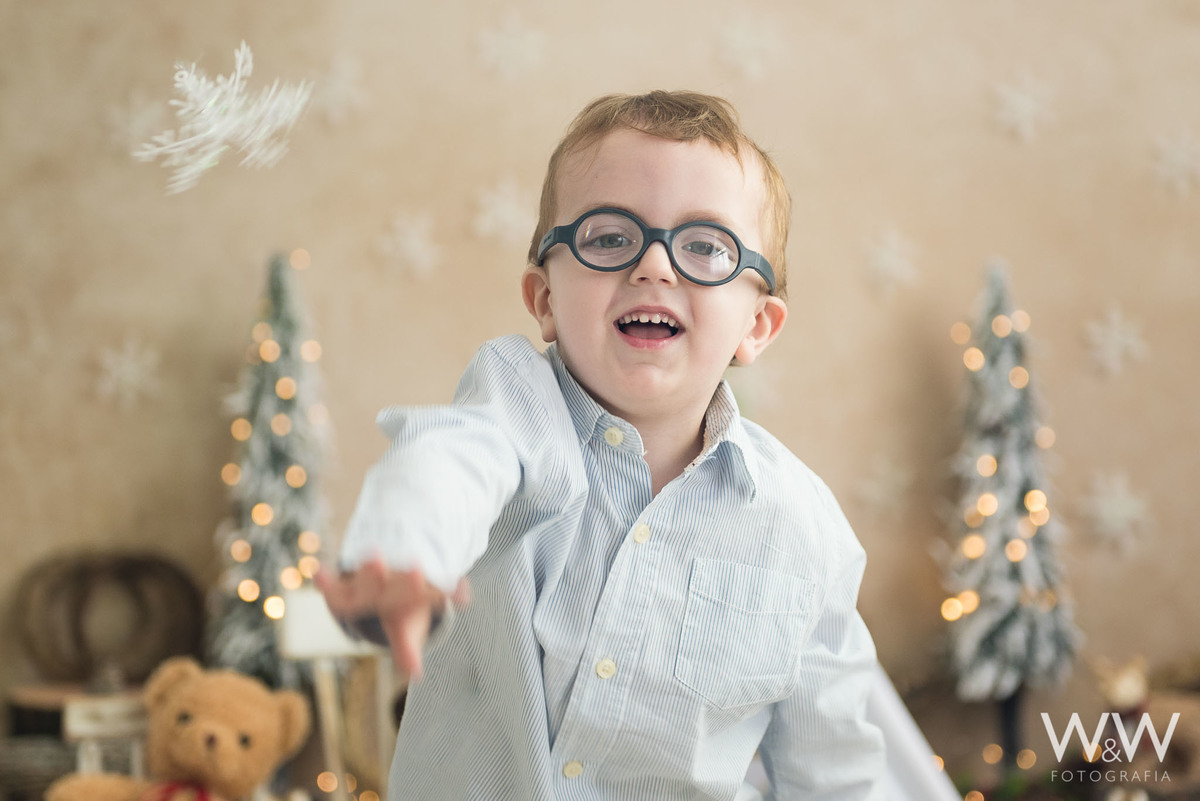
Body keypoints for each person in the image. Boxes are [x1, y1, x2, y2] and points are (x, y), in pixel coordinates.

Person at [319, 90, 885, 800]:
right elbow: (449, 460)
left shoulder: (803, 526)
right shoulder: (513, 405)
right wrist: (405, 551)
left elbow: (834, 771)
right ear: (545, 298)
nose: (654, 266)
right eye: (610, 237)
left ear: (758, 325)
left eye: (706, 246)